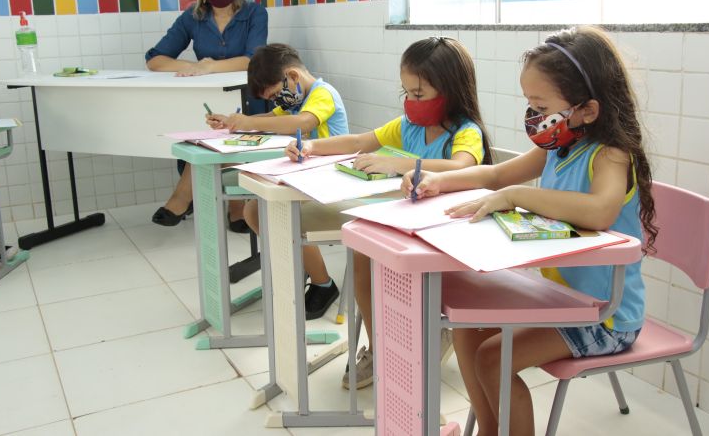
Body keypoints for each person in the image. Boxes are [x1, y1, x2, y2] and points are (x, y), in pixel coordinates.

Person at [403, 26, 657, 436]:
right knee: (469, 334)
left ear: (588, 110)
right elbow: (499, 174)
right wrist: (440, 180)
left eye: (540, 104)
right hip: (564, 299)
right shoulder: (558, 146)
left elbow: (600, 212)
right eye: (529, 103)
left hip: (606, 316)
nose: (534, 115)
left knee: (492, 359)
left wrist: (520, 196)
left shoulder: (610, 154)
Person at [285, 36, 492, 387]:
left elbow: (460, 166)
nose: (411, 102)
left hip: (446, 233)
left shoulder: (466, 132)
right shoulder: (408, 125)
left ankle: (426, 335)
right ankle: (381, 345)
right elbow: (358, 142)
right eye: (406, 93)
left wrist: (397, 163)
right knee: (364, 254)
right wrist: (312, 145)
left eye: (419, 94)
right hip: (406, 225)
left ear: (452, 91)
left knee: (389, 269)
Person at [207, 43, 349, 298]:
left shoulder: (322, 94)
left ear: (292, 76)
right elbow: (271, 119)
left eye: (274, 95)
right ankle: (305, 268)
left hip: (330, 179)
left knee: (275, 212)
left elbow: (304, 121)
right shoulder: (295, 97)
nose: (275, 102)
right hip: (306, 176)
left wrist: (249, 122)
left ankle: (323, 284)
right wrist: (233, 122)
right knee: (254, 209)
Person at [146, 0, 268, 230]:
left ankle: (209, 201)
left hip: (249, 98)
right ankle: (200, 199)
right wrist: (191, 65)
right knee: (206, 127)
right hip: (209, 102)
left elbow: (253, 58)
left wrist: (209, 66)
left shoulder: (255, 13)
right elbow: (155, 58)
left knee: (226, 129)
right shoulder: (192, 17)